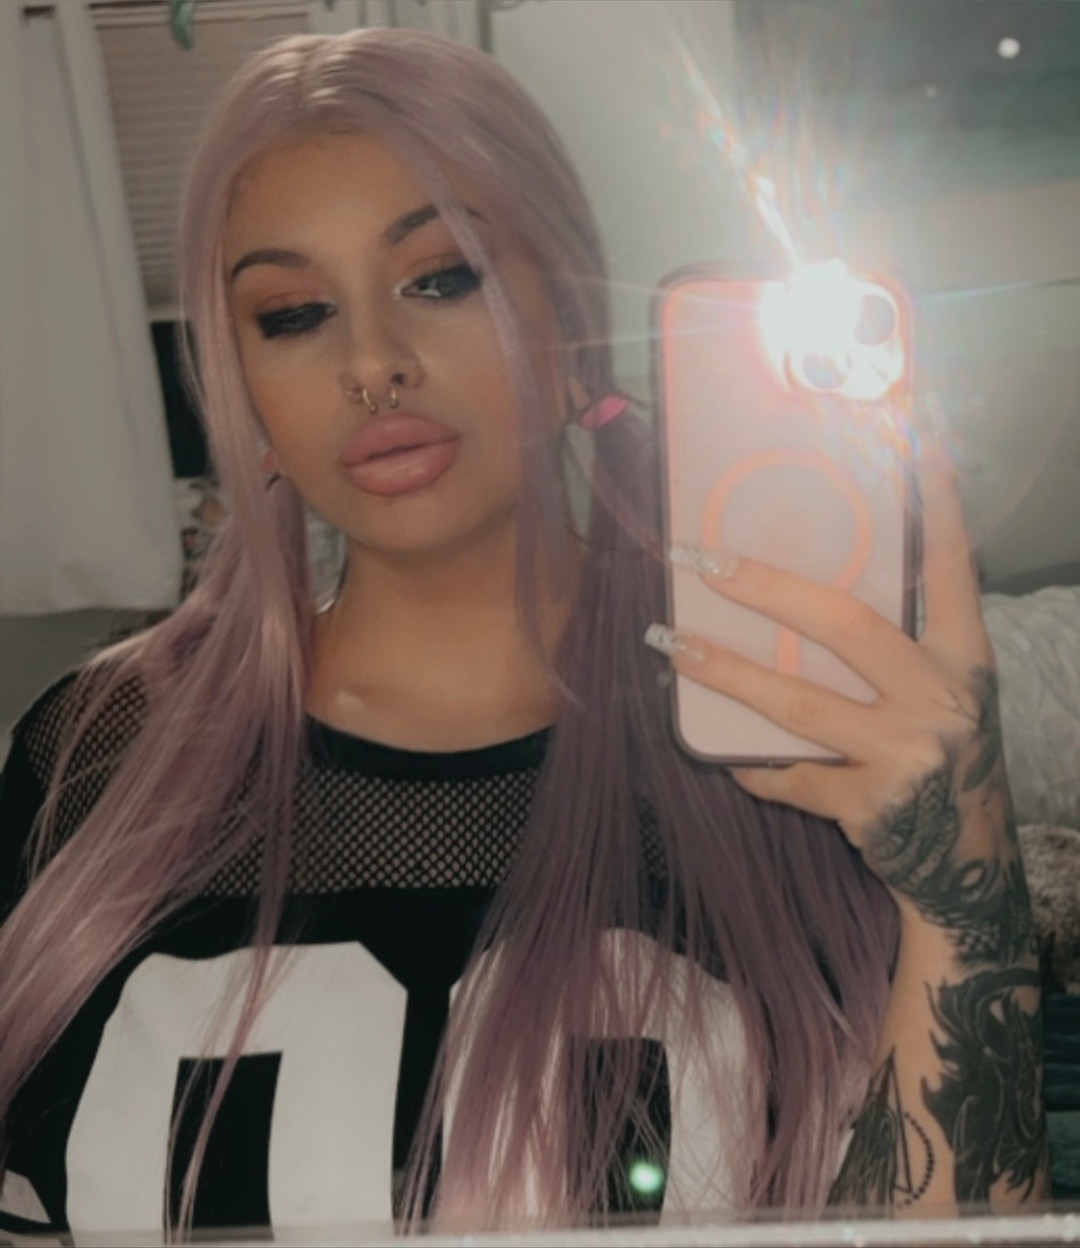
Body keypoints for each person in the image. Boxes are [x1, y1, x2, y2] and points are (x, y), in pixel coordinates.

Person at [0, 25, 1048, 1240]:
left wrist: (969, 896)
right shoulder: (96, 751)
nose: (373, 364)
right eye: (292, 314)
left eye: (443, 277)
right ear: (245, 395)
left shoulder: (796, 746)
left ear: (573, 336)